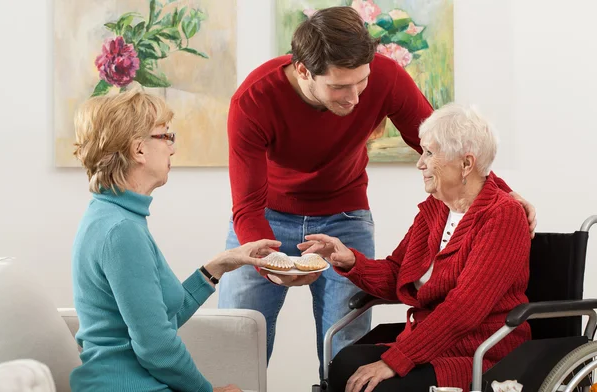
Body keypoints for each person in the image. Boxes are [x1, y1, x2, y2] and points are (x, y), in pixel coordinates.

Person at [218, 5, 536, 376]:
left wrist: (502, 194)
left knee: (345, 350)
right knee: (236, 342)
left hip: (345, 215)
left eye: (361, 83)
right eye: (339, 87)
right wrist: (270, 262)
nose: (354, 99)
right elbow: (247, 209)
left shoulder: (386, 77)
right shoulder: (253, 100)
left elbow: (443, 149)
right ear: (303, 70)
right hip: (267, 217)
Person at [299, 103, 532, 392]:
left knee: (381, 387)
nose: (420, 163)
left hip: (480, 352)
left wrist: (395, 360)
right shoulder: (435, 210)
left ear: (466, 164)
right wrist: (350, 261)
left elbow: (465, 309)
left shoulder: (502, 215)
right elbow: (399, 273)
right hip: (430, 344)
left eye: (430, 153)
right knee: (345, 365)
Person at [70, 91, 279, 392]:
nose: (172, 148)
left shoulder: (112, 216)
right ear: (138, 149)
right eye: (165, 136)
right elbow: (156, 347)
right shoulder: (121, 230)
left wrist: (217, 267)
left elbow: (158, 321)